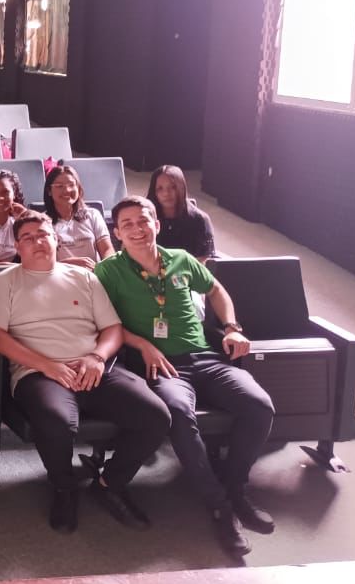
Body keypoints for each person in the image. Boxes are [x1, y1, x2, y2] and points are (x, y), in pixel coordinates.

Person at [95, 197, 275, 557]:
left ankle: (235, 487)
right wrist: (142, 344)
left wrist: (232, 327)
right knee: (178, 413)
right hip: (162, 366)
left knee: (259, 406)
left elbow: (216, 290)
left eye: (143, 221)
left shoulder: (181, 259)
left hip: (206, 358)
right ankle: (220, 505)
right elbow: (103, 322)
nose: (137, 229)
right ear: (117, 234)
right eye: (127, 224)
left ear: (156, 225)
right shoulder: (109, 271)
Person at [0, 211, 171, 533]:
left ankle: (110, 483)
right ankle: (64, 486)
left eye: (43, 234)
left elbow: (112, 328)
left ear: (56, 239)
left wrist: (97, 357)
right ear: (17, 246)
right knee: (56, 423)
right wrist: (47, 365)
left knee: (156, 416)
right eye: (27, 237)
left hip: (94, 365)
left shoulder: (83, 277)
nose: (37, 242)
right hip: (38, 373)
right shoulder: (4, 282)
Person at [44, 164, 113, 269]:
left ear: (78, 188)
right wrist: (68, 264)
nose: (67, 190)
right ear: (49, 191)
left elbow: (107, 249)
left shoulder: (93, 215)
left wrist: (105, 268)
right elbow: (40, 263)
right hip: (60, 275)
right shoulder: (42, 222)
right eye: (59, 186)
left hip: (93, 273)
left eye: (71, 185)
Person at [147, 165, 217, 262]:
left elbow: (203, 260)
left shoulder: (199, 220)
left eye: (173, 187)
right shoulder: (146, 218)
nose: (166, 193)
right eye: (160, 188)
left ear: (182, 188)